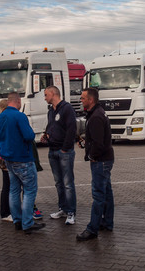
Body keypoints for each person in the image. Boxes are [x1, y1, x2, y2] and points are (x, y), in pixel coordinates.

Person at [0, 92, 45, 234]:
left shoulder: (0, 117)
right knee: (29, 190)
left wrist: (1, 147)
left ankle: (17, 220)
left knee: (13, 190)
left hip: (8, 159)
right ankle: (27, 223)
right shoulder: (20, 116)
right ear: (18, 102)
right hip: (23, 158)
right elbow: (29, 136)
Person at [76, 87, 115, 241]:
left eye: (83, 98)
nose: (81, 100)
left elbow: (99, 143)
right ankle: (107, 222)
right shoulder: (97, 113)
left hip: (101, 161)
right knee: (107, 192)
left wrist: (92, 155)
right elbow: (98, 139)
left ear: (90, 100)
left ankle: (92, 229)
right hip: (105, 159)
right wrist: (86, 143)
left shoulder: (96, 116)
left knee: (98, 195)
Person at [42, 85, 77, 225]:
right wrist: (46, 135)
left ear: (52, 94)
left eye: (45, 95)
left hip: (64, 152)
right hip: (52, 150)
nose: (45, 98)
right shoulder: (51, 110)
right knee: (58, 183)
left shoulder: (67, 108)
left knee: (68, 183)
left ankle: (71, 212)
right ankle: (63, 208)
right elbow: (52, 126)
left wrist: (65, 148)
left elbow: (71, 129)